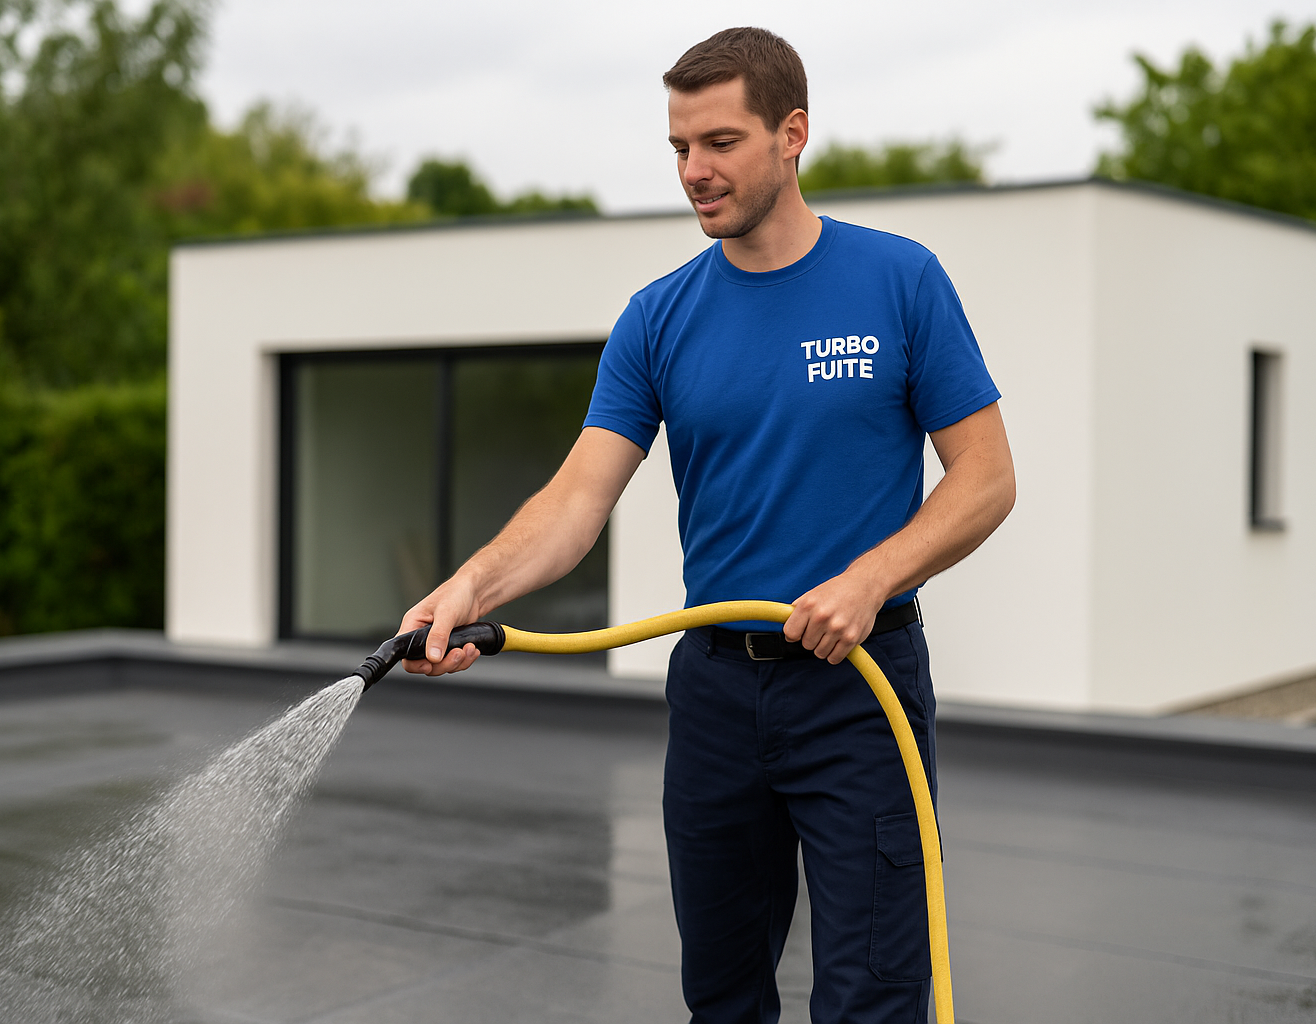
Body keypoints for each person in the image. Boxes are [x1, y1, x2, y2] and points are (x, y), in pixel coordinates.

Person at [398, 26, 1016, 1024]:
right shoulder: (659, 317)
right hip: (719, 696)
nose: (694, 171)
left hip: (863, 691)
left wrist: (869, 578)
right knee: (722, 998)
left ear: (792, 134)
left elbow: (986, 478)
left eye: (720, 142)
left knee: (873, 999)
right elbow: (576, 500)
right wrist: (472, 585)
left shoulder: (900, 283)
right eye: (679, 147)